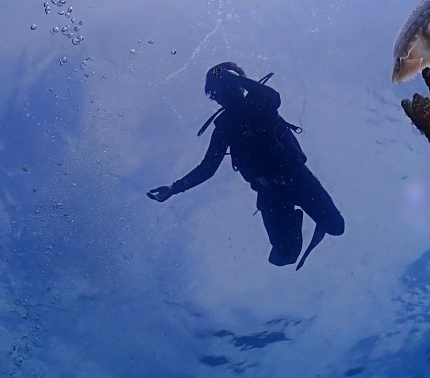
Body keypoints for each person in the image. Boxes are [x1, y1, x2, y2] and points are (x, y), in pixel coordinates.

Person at [147, 62, 344, 269]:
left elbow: (273, 96)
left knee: (336, 227)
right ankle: (294, 218)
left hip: (296, 177)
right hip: (270, 192)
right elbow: (208, 168)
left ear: (238, 85)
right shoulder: (224, 127)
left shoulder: (261, 102)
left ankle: (297, 217)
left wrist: (230, 77)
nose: (222, 95)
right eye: (217, 92)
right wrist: (174, 188)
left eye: (224, 88)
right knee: (284, 256)